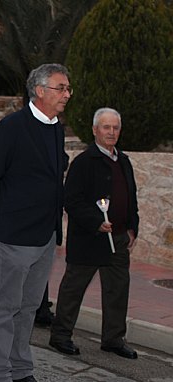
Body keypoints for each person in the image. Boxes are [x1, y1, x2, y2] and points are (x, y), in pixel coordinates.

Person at [0, 63, 71, 382]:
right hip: (14, 236)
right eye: (61, 88)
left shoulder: (56, 127)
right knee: (6, 308)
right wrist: (1, 222)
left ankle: (20, 370)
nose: (67, 95)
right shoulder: (11, 128)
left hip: (44, 236)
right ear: (40, 90)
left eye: (67, 89)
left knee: (30, 307)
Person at [50, 108, 139, 360]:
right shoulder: (84, 162)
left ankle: (113, 339)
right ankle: (60, 335)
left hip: (119, 238)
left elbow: (131, 198)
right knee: (73, 288)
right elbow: (72, 200)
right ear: (94, 130)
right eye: (106, 127)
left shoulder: (123, 161)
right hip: (90, 239)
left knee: (118, 290)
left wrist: (133, 227)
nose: (111, 132)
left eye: (115, 128)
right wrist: (96, 222)